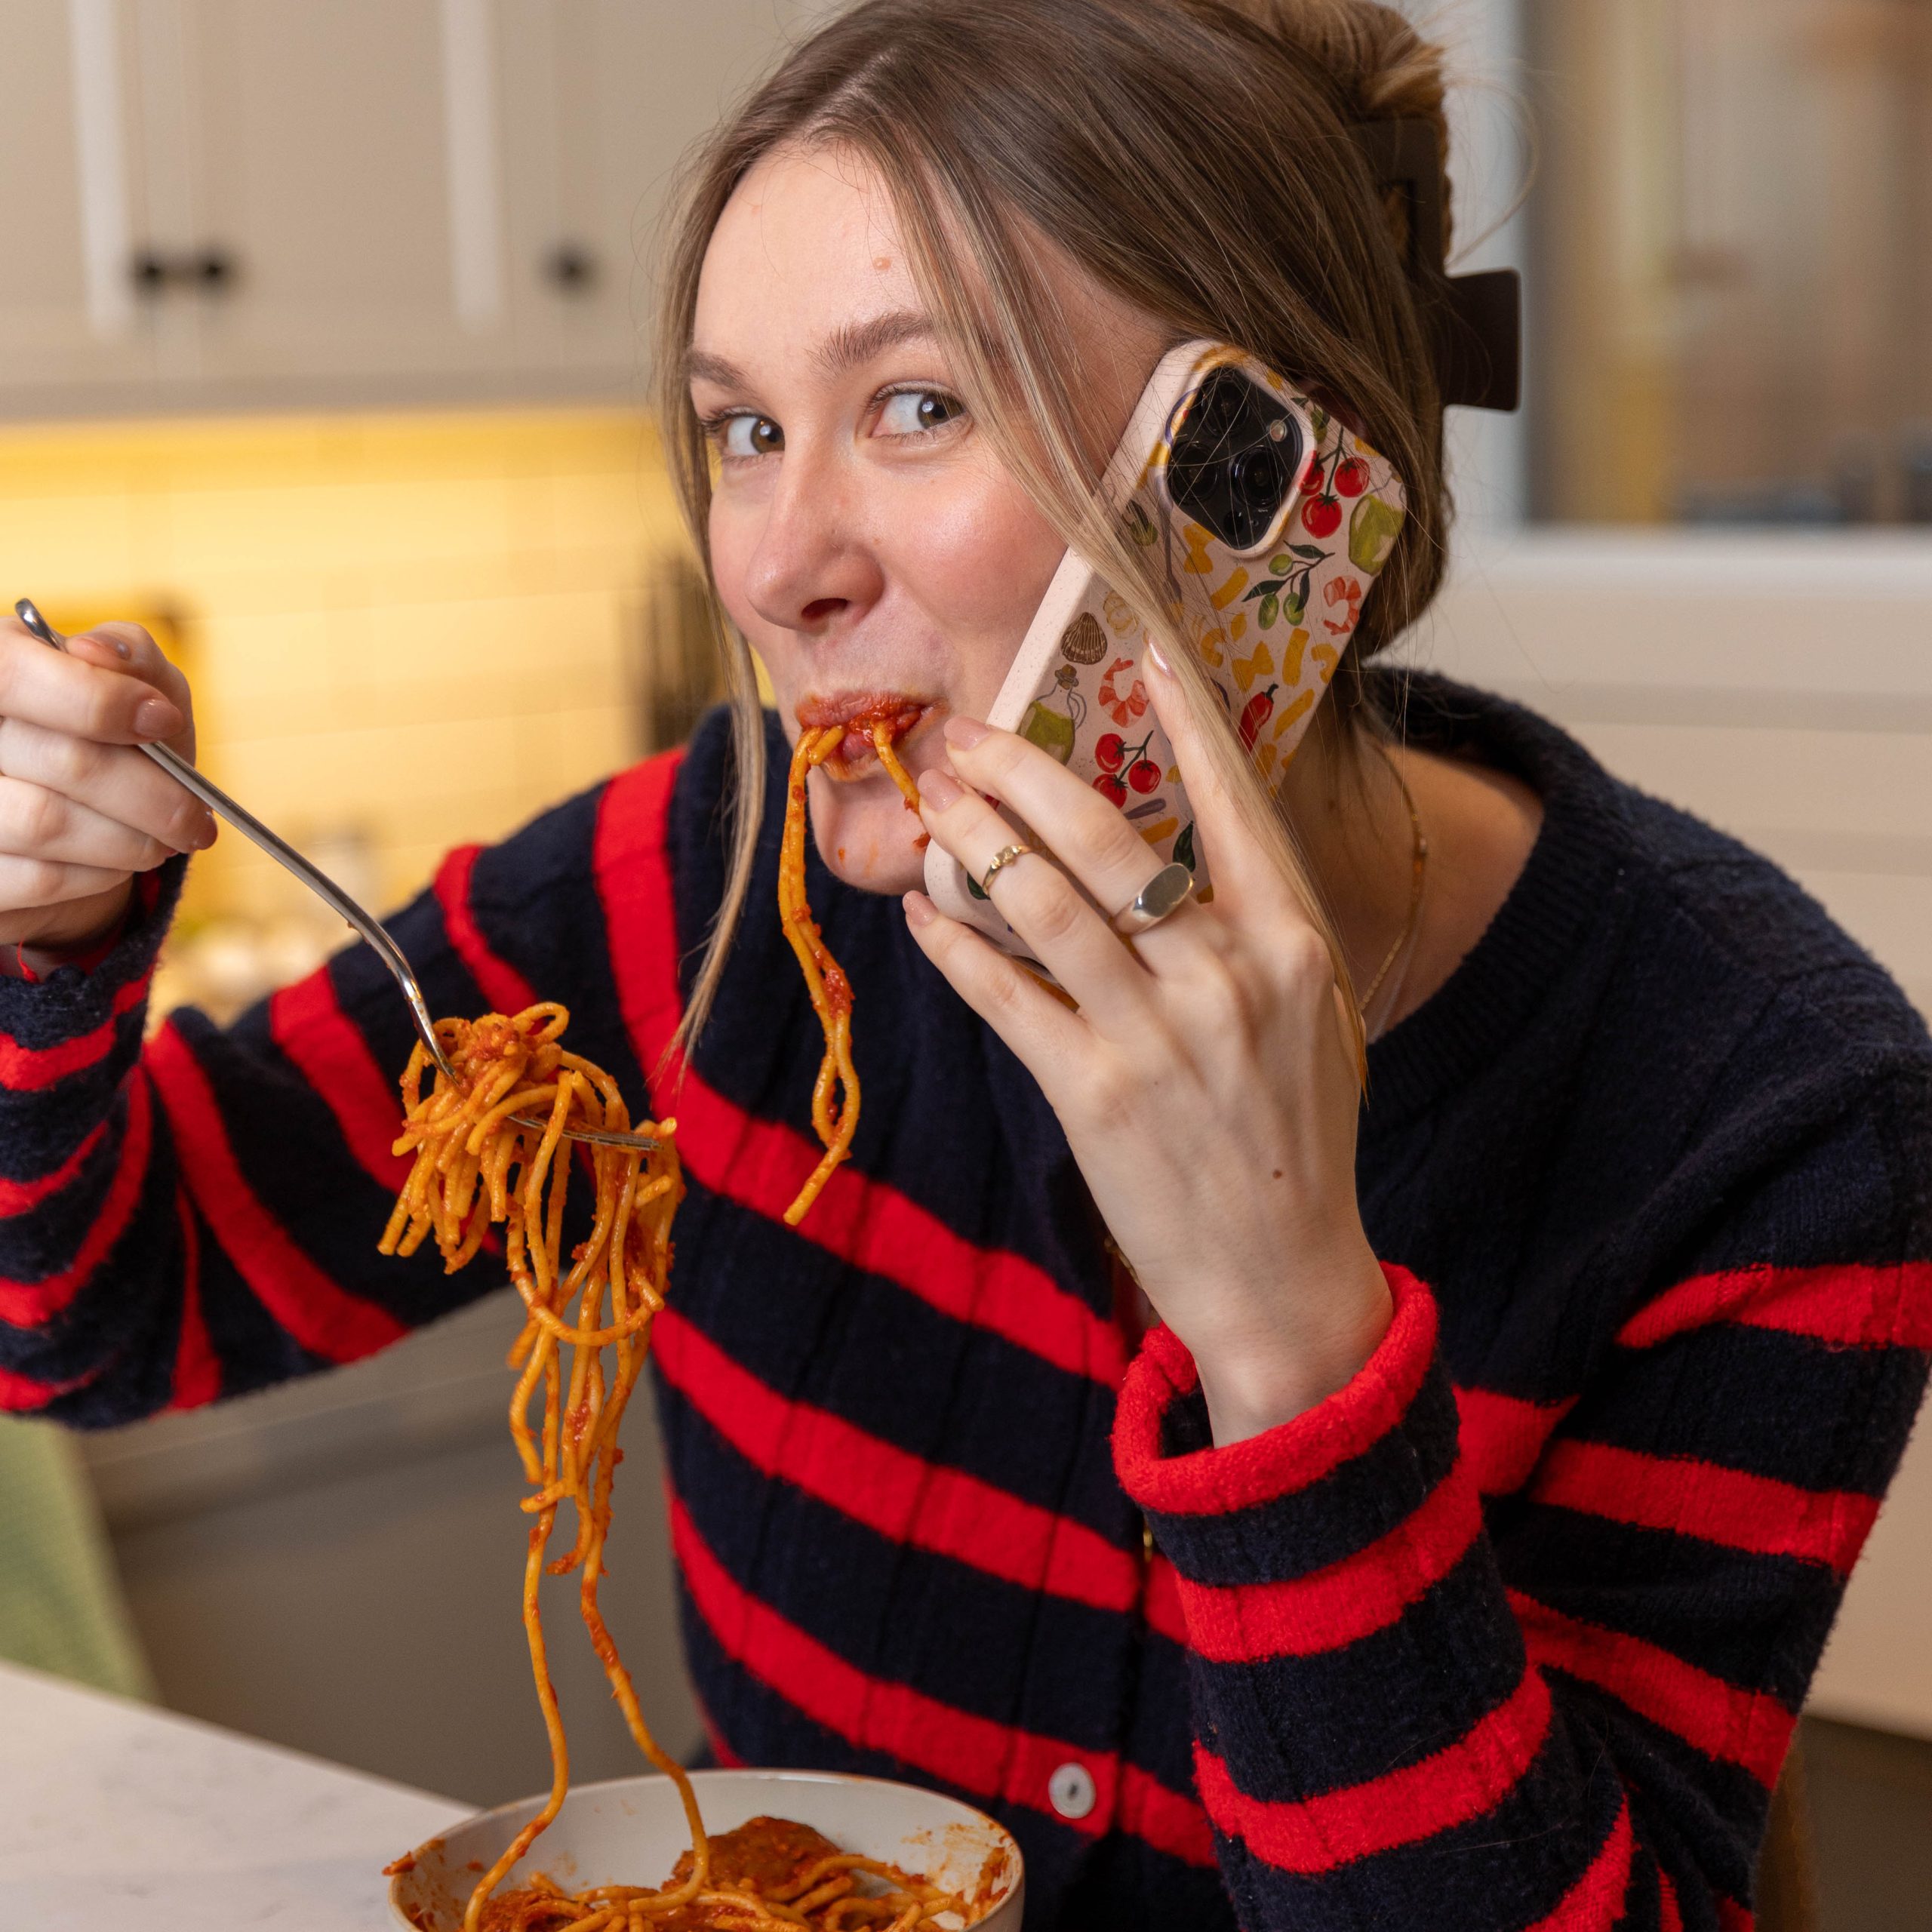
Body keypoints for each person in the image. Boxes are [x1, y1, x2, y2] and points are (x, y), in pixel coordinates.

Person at [1, 2, 1927, 1925]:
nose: (768, 564)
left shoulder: (1771, 1117)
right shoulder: (699, 881)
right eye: (742, 430)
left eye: (914, 405)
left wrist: (1287, 1348)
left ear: (1253, 474)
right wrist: (53, 939)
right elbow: (84, 1309)